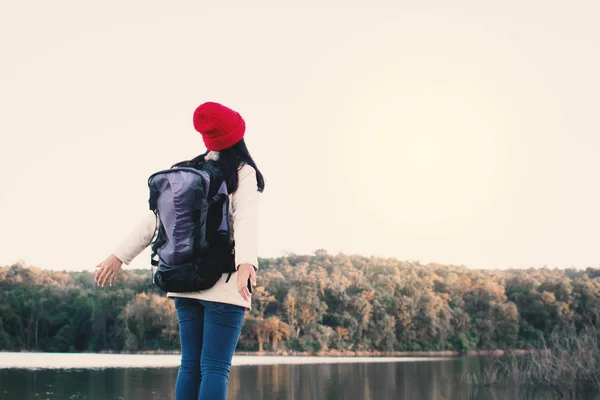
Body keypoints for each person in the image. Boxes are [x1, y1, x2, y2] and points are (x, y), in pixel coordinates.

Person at [94, 101, 264, 400]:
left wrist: (119, 255)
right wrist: (246, 264)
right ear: (238, 134)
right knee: (214, 369)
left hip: (182, 280)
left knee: (190, 367)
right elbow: (245, 217)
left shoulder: (186, 171)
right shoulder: (242, 172)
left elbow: (156, 220)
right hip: (223, 284)